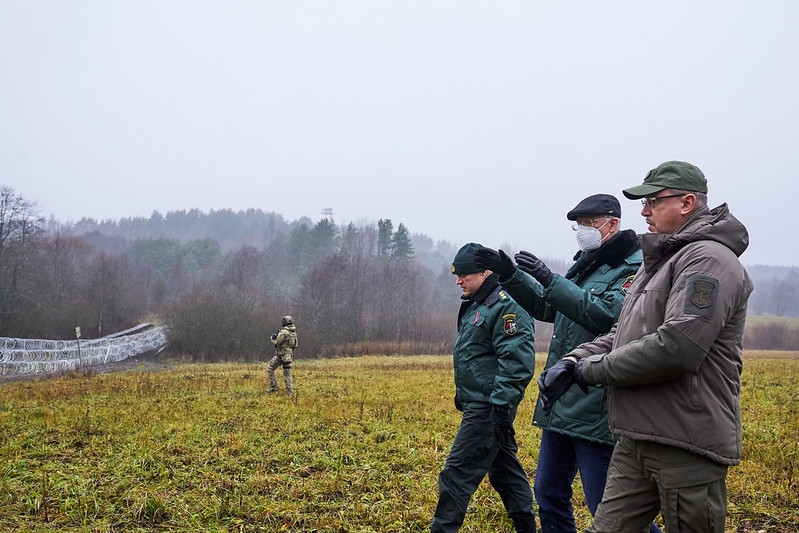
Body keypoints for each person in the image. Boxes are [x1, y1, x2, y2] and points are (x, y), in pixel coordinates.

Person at [537, 161, 753, 532]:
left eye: (653, 201)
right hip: (637, 436)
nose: (643, 211)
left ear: (686, 203)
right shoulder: (659, 262)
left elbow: (676, 348)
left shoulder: (709, 261)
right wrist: (575, 358)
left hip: (685, 440)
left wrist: (590, 371)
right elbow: (622, 331)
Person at [475, 194, 660, 533]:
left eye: (589, 225)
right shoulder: (587, 261)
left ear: (612, 223)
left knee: (608, 508)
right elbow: (551, 308)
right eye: (580, 226)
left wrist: (551, 279)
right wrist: (512, 275)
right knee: (548, 493)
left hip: (594, 399)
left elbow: (608, 316)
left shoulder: (633, 268)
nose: (582, 232)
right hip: (561, 397)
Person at [431, 242, 538, 533]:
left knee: (456, 474)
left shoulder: (506, 305)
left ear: (485, 272)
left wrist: (500, 406)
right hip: (484, 402)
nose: (458, 280)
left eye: (464, 274)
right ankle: (526, 526)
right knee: (503, 469)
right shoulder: (479, 303)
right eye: (456, 274)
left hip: (490, 405)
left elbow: (516, 361)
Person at [268, 315, 298, 394]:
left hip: (280, 354)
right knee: (287, 373)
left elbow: (277, 342)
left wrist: (272, 338)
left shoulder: (284, 332)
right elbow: (295, 345)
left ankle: (274, 388)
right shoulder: (293, 333)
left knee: (270, 368)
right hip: (288, 355)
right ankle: (290, 392)